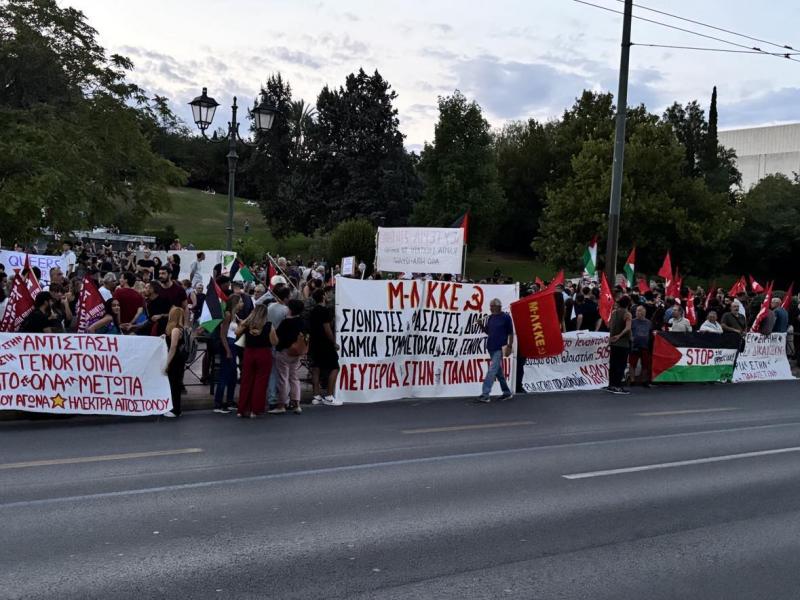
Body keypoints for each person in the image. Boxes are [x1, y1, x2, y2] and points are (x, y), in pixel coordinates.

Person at [269, 299, 307, 414]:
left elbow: (277, 337)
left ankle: (282, 404)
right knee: (294, 377)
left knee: (283, 378)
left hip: (284, 352)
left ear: (290, 309)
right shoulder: (302, 322)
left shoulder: (286, 323)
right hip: (296, 352)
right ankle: (296, 403)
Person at [235, 304, 272, 418]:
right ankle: (254, 410)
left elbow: (237, 332)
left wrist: (248, 319)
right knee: (260, 382)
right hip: (264, 353)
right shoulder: (268, 325)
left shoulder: (247, 324)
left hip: (249, 353)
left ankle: (241, 409)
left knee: (246, 381)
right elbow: (274, 341)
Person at [476, 298, 514, 403]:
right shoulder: (491, 318)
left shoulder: (506, 318)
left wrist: (510, 346)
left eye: (492, 306)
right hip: (491, 347)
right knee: (498, 372)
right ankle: (507, 393)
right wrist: (480, 325)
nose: (491, 308)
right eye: (490, 306)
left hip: (500, 348)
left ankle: (485, 394)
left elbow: (511, 333)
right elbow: (488, 332)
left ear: (498, 307)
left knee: (492, 371)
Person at [308, 288, 341, 406]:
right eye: (326, 294)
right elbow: (327, 329)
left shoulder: (312, 311)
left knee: (316, 368)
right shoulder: (325, 311)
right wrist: (333, 342)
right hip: (325, 343)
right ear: (323, 296)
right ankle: (329, 395)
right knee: (334, 367)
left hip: (314, 343)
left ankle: (316, 396)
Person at [214, 293, 242, 414]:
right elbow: (222, 335)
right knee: (224, 375)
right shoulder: (228, 315)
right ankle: (218, 403)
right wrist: (227, 350)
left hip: (234, 344)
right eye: (240, 301)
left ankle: (230, 400)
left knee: (233, 375)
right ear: (235, 303)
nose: (242, 304)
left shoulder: (235, 315)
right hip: (229, 345)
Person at [163, 307, 187, 418]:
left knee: (174, 384)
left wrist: (167, 363)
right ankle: (175, 408)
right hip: (178, 358)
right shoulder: (178, 329)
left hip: (175, 359)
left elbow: (173, 347)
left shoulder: (175, 329)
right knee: (174, 384)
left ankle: (175, 410)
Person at [606, 294, 632, 395]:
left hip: (613, 343)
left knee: (613, 364)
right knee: (621, 365)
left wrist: (611, 338)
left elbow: (610, 326)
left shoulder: (614, 313)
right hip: (623, 343)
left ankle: (611, 385)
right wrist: (620, 335)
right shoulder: (627, 314)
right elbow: (628, 328)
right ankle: (618, 386)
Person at [628, 305, 652, 385]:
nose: (637, 312)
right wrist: (631, 337)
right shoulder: (632, 321)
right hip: (634, 345)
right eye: (637, 311)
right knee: (632, 364)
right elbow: (629, 331)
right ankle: (632, 380)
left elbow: (651, 333)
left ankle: (644, 380)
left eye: (640, 311)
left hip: (645, 346)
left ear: (644, 312)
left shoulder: (649, 322)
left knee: (645, 364)